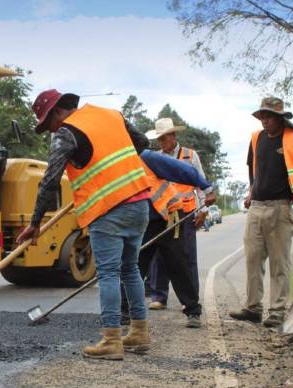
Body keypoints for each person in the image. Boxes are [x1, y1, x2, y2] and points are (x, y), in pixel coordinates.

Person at [15, 89, 215, 360]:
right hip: (138, 205)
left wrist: (36, 223)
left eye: (47, 124)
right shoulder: (111, 115)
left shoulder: (66, 132)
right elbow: (142, 141)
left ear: (56, 113)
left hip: (107, 209)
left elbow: (50, 179)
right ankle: (139, 332)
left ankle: (111, 339)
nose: (49, 131)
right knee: (130, 269)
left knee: (109, 273)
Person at [229, 97, 293, 328]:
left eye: (268, 116)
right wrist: (251, 191)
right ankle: (252, 308)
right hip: (257, 207)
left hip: (281, 208)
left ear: (280, 118)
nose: (264, 121)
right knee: (252, 259)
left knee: (279, 263)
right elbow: (253, 169)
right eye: (262, 116)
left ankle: (277, 311)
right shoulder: (257, 139)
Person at [144, 118, 209, 311]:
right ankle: (159, 296)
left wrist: (203, 210)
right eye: (159, 139)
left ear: (173, 136)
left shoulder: (190, 155)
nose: (162, 142)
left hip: (186, 213)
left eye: (164, 138)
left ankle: (190, 300)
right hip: (161, 213)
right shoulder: (154, 157)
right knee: (158, 257)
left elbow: (201, 182)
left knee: (186, 257)